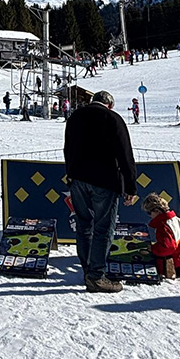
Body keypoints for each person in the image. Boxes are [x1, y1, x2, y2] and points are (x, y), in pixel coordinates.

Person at [64, 90, 138, 294]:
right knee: (103, 228)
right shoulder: (113, 118)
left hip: (77, 179)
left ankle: (88, 270)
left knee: (83, 224)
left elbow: (67, 148)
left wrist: (70, 175)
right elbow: (125, 154)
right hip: (105, 181)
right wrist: (130, 186)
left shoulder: (75, 117)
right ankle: (96, 276)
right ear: (110, 105)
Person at [142, 194, 180, 278]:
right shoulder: (177, 220)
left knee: (146, 257)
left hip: (170, 260)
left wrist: (153, 248)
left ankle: (171, 271)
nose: (150, 216)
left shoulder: (163, 226)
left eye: (149, 212)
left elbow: (168, 248)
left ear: (157, 211)